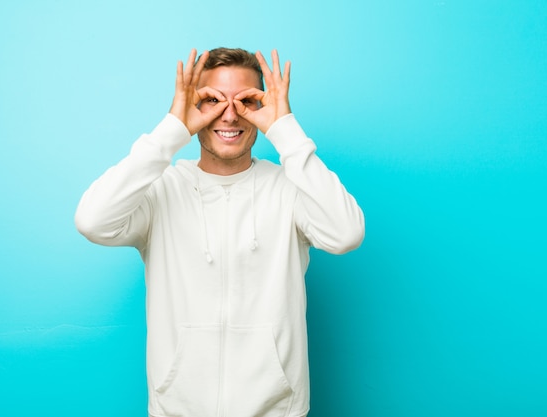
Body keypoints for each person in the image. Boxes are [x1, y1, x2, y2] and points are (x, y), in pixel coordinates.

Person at [75, 47, 365, 417]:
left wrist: (285, 129)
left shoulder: (290, 188)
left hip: (277, 409)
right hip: (176, 408)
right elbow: (92, 221)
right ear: (192, 106)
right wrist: (171, 130)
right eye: (212, 100)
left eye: (246, 101)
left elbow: (346, 234)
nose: (229, 114)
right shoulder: (162, 189)